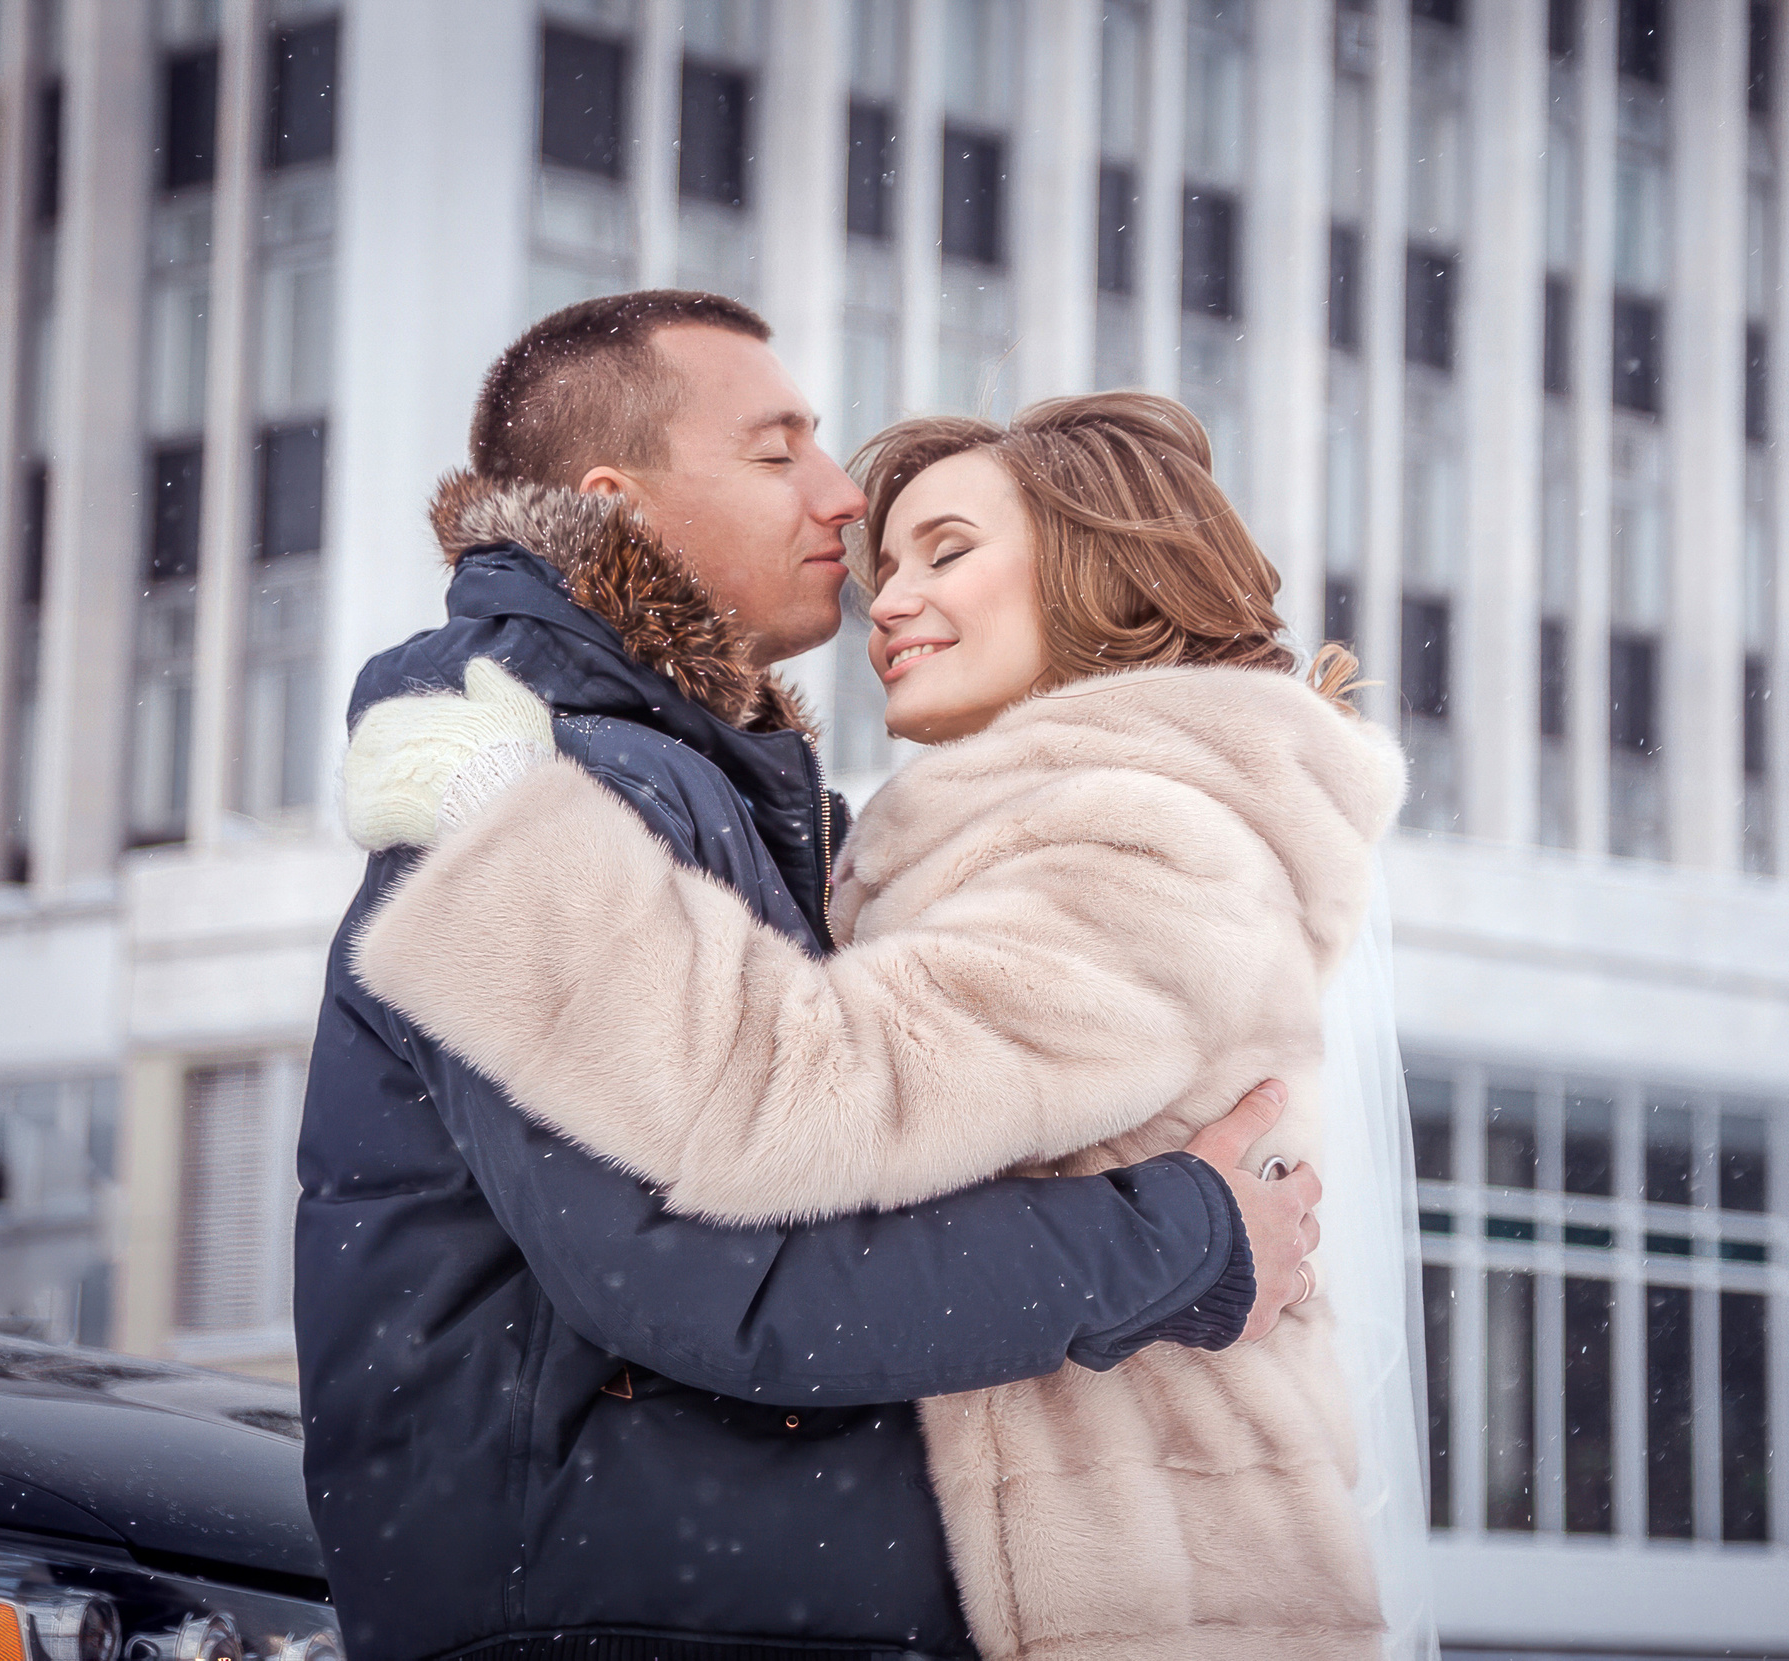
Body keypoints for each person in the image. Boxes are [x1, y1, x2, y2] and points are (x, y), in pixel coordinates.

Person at [295, 293, 1324, 1661]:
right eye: (779, 453)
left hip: (683, 1593)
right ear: (616, 507)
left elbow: (817, 1157)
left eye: (942, 548)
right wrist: (1184, 1238)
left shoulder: (702, 789)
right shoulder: (555, 786)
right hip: (627, 1610)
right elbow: (719, 1263)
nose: (841, 501)